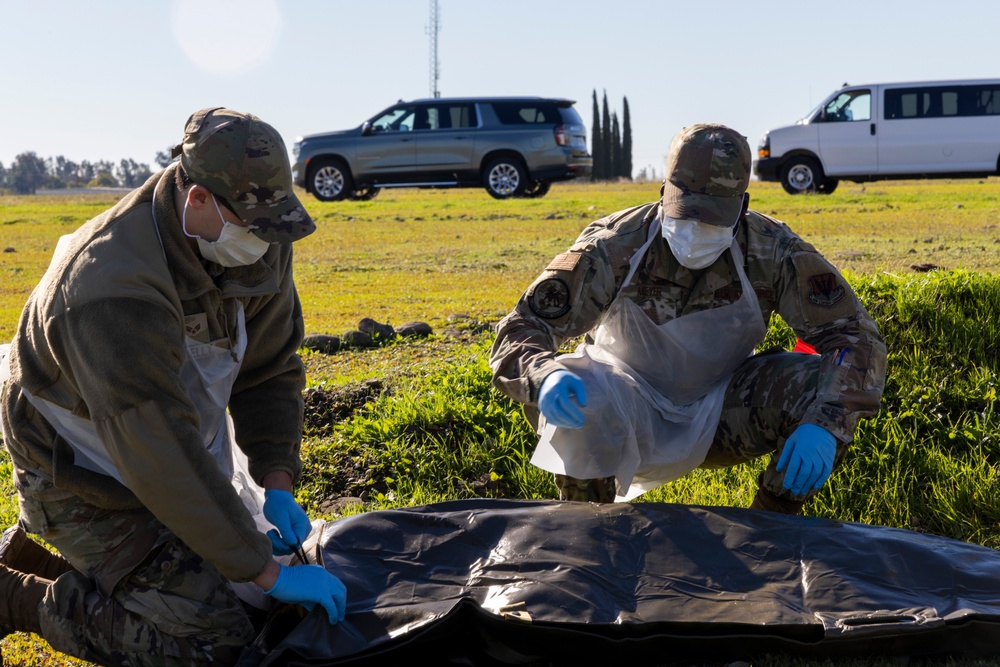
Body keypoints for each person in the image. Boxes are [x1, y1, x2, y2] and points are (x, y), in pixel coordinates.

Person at [0, 107, 346, 666]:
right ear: (198, 199)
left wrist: (277, 479)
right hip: (81, 475)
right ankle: (16, 597)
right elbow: (158, 452)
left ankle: (62, 568)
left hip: (173, 445)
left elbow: (271, 368)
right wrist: (267, 572)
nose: (262, 244)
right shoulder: (111, 288)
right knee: (218, 643)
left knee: (257, 607)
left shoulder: (258, 234)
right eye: (250, 227)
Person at [490, 123, 887, 513]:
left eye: (711, 219)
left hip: (722, 407)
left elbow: (854, 336)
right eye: (684, 214)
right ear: (664, 194)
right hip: (623, 402)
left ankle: (768, 528)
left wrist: (824, 423)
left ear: (741, 207)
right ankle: (587, 529)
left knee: (820, 390)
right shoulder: (615, 245)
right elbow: (523, 327)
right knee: (582, 392)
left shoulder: (773, 251)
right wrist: (544, 376)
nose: (695, 231)